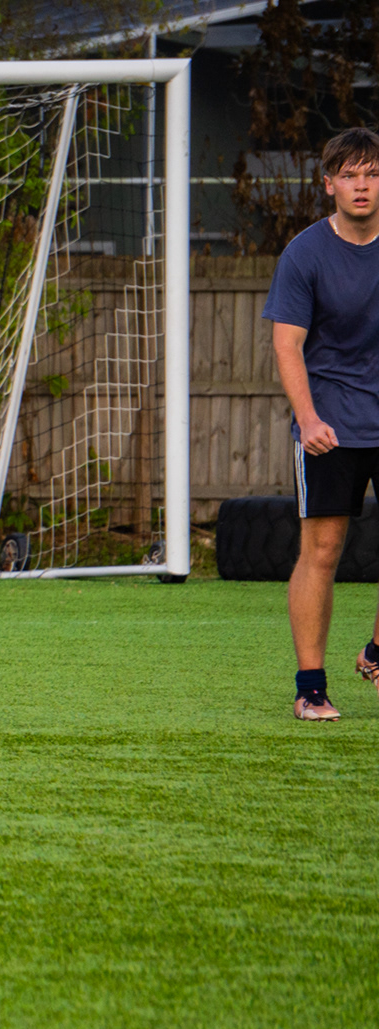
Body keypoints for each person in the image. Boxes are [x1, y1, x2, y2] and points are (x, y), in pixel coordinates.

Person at [264, 127, 379, 721]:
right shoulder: (305, 254)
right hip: (329, 424)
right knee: (324, 550)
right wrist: (306, 418)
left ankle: (377, 653)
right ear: (329, 183)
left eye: (373, 173)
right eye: (350, 175)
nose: (362, 185)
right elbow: (288, 345)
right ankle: (311, 687)